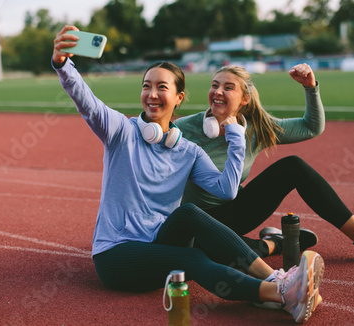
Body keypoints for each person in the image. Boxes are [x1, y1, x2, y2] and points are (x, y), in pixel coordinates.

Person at [52, 25, 324, 323]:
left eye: (162, 87)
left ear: (179, 97)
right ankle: (280, 293)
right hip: (117, 255)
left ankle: (275, 279)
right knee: (192, 259)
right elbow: (86, 102)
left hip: (157, 242)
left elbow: (227, 190)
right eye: (146, 86)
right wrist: (64, 64)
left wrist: (235, 136)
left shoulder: (188, 151)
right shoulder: (121, 131)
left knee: (189, 213)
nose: (152, 94)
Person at [175, 64, 354, 261]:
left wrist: (310, 87)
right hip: (195, 220)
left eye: (228, 87)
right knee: (202, 250)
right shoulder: (185, 127)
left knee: (293, 166)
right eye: (214, 85)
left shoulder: (255, 129)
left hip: (233, 215)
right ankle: (276, 243)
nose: (217, 92)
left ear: (245, 99)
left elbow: (311, 127)